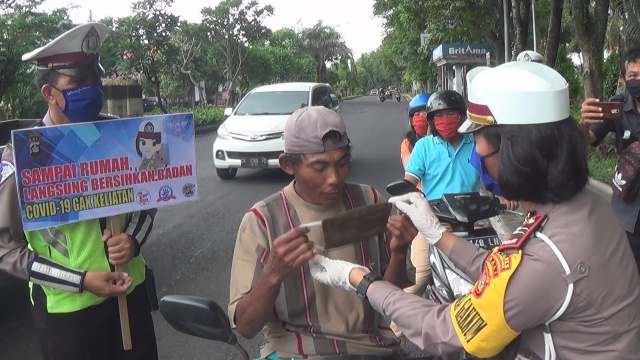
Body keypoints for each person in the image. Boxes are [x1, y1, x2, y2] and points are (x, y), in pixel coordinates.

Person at [309, 61, 640, 359]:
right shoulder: (583, 207)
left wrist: (359, 280)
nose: (474, 155)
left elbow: (443, 330)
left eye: (479, 140)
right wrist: (437, 235)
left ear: (515, 152)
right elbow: (502, 270)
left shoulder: (549, 260)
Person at [0, 23, 158, 360]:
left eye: (94, 78)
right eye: (77, 82)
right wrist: (80, 280)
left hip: (131, 297)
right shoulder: (23, 157)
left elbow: (152, 198)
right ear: (49, 93)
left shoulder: (121, 135)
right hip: (67, 315)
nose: (92, 88)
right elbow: (6, 247)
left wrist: (132, 240)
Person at [228, 106, 418, 358]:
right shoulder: (262, 221)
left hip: (371, 349)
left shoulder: (369, 200)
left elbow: (388, 297)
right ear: (288, 164)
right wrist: (272, 275)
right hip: (294, 351)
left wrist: (399, 251)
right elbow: (245, 326)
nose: (334, 179)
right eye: (319, 167)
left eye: (342, 163)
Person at [579, 46, 640, 273]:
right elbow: (588, 139)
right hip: (627, 211)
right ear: (623, 79)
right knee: (625, 274)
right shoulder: (617, 107)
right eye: (633, 75)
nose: (638, 80)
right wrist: (584, 122)